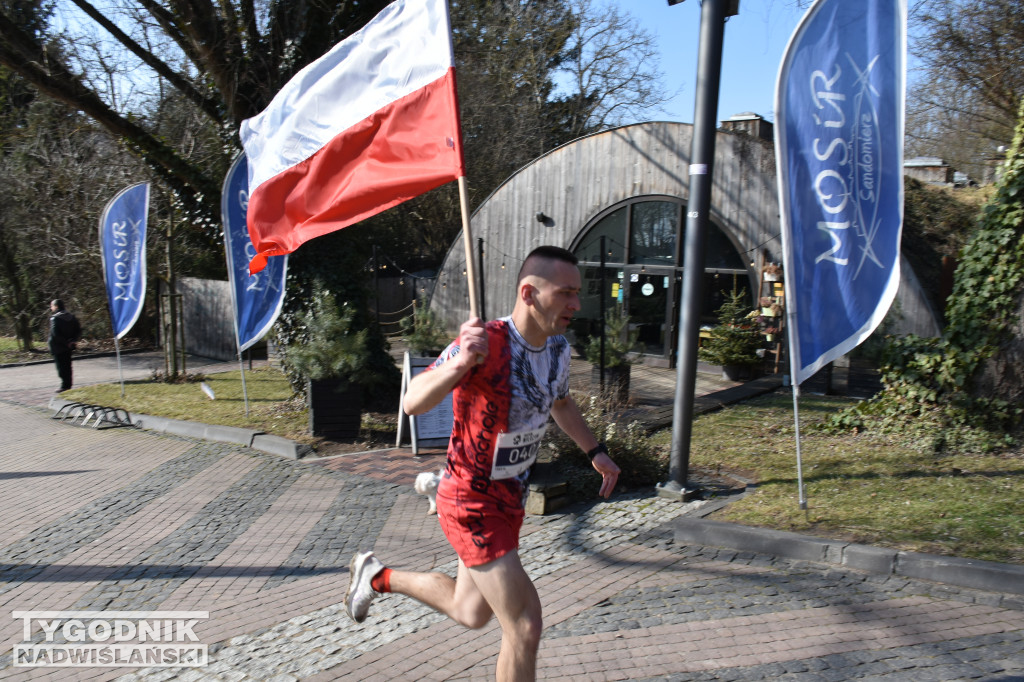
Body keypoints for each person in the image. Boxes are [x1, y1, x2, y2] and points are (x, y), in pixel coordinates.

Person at [346, 245, 620, 681]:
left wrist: (596, 451)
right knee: (525, 625)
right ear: (528, 293)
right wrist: (458, 363)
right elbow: (413, 401)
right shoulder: (485, 342)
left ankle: (376, 576)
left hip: (510, 498)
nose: (576, 304)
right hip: (471, 499)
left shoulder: (558, 350)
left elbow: (561, 403)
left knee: (469, 611)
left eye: (577, 293)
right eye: (566, 293)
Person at [48, 299, 81, 392]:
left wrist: (65, 342)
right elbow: (78, 330)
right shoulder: (71, 317)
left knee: (61, 367)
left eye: (52, 306)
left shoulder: (55, 318)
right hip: (69, 346)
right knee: (68, 366)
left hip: (58, 347)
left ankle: (64, 386)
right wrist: (72, 341)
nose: (51, 308)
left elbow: (55, 334)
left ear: (56, 307)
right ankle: (68, 384)